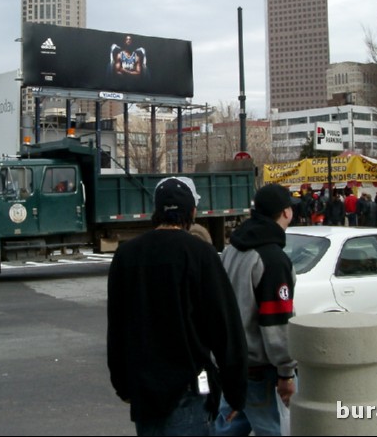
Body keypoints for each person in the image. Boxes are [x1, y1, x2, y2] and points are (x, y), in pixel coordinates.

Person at [107, 177, 248, 436]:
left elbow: (117, 327)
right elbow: (224, 327)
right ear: (192, 212)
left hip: (144, 390)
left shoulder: (126, 255)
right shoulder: (200, 253)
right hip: (188, 388)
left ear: (156, 211)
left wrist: (123, 385)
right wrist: (236, 391)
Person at [215, 183, 297, 437]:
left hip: (231, 363)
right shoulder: (272, 259)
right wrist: (286, 372)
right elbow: (276, 322)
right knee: (274, 430)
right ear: (286, 212)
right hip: (260, 370)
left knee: (227, 427)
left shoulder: (232, 250)